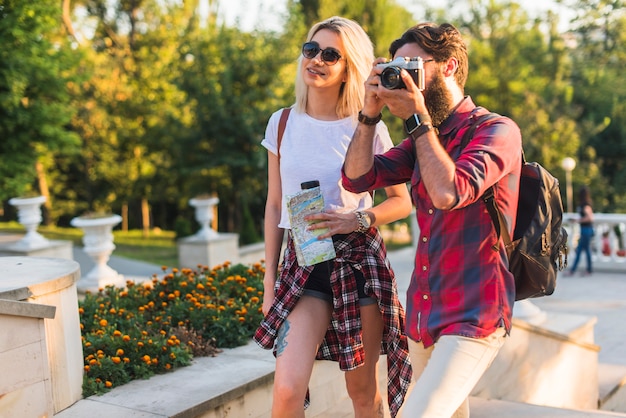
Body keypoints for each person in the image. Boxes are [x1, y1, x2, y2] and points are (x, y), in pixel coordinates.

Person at [342, 22, 523, 418]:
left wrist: (417, 117)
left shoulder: (495, 130)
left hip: (476, 313)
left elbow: (448, 193)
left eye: (413, 65)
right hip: (426, 314)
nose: (403, 76)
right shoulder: (423, 139)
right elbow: (356, 177)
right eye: (396, 67)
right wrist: (369, 114)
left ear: (449, 66)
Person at [253, 16, 413, 418]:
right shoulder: (283, 121)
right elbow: (275, 206)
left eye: (330, 55)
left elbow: (401, 201)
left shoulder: (365, 126)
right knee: (287, 389)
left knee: (361, 392)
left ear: (348, 68)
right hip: (303, 262)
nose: (317, 60)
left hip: (358, 262)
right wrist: (269, 281)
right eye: (311, 50)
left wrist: (357, 219)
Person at [568, 186, 594, 275]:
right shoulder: (586, 204)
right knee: (585, 250)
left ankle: (574, 270)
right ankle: (587, 270)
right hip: (586, 229)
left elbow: (589, 218)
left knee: (581, 250)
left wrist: (578, 220)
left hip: (586, 229)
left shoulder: (585, 205)